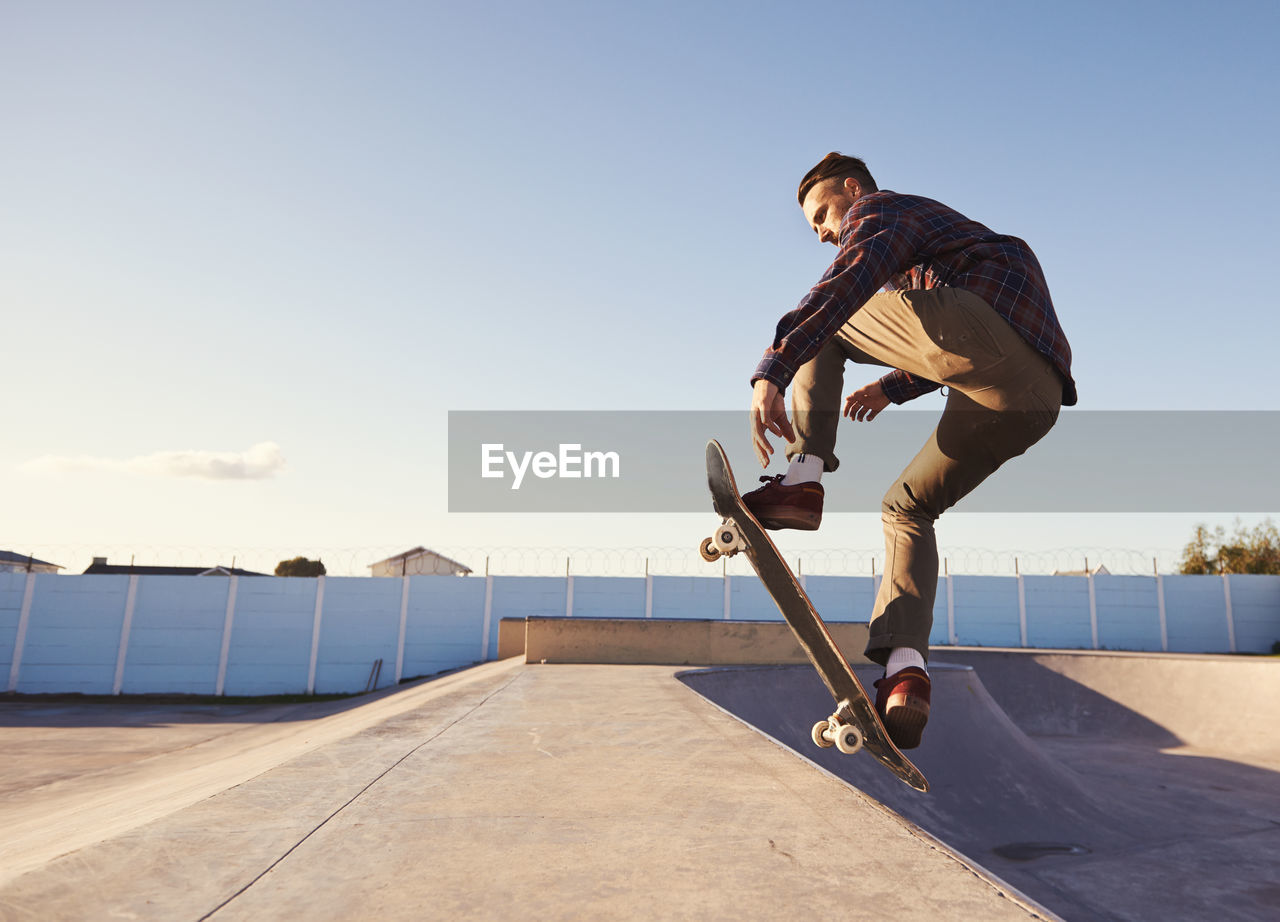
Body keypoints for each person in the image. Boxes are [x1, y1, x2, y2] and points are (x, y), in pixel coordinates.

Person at [745, 152, 1076, 749]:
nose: (823, 231)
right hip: (1032, 399)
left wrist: (776, 368)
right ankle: (904, 673)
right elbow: (948, 341)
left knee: (828, 316)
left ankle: (803, 478)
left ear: (851, 189)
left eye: (822, 213)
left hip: (987, 347)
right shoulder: (934, 261)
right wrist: (893, 386)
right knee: (906, 509)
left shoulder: (879, 210)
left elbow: (848, 285)